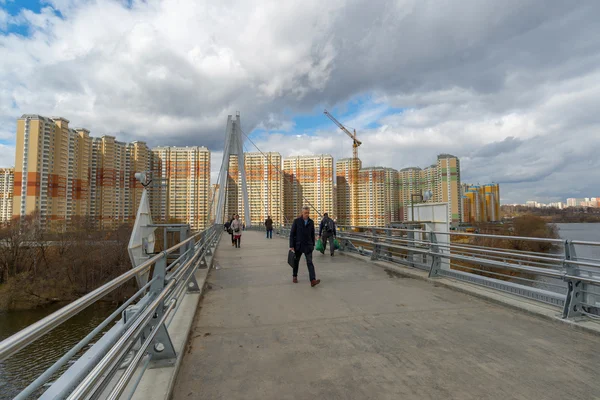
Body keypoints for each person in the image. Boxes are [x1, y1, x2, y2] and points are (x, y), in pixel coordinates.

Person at [289, 206, 321, 287]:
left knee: (310, 262)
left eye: (308, 213)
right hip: (298, 246)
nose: (307, 214)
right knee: (296, 262)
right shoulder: (296, 221)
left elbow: (312, 234)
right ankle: (294, 276)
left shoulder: (311, 222)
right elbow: (292, 234)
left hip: (308, 246)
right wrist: (291, 245)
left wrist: (313, 245)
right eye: (305, 213)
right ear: (302, 213)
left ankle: (313, 280)